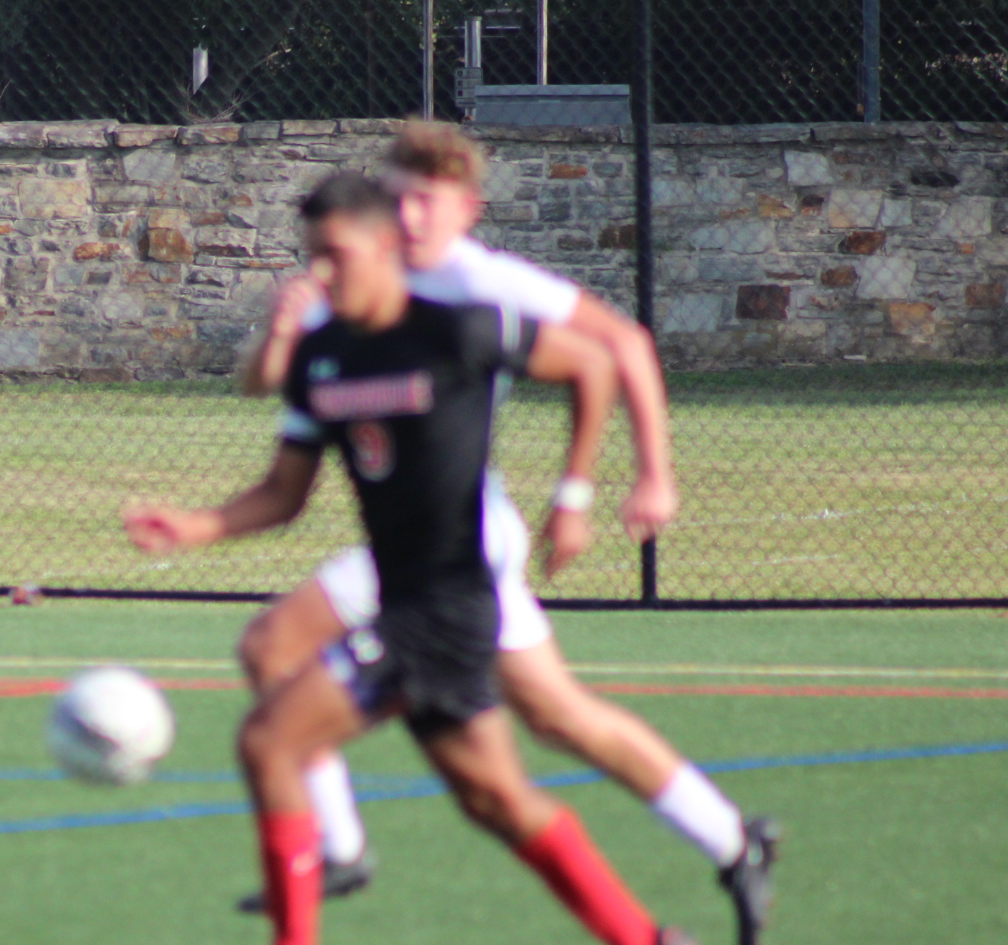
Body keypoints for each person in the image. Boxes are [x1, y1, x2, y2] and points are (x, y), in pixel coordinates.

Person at [236, 123, 777, 945]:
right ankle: (732, 841)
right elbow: (281, 384)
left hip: (462, 543)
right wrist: (287, 329)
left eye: (426, 200)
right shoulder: (364, 275)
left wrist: (627, 481)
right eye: (397, 198)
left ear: (468, 209)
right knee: (555, 719)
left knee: (275, 647)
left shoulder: (479, 281)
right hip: (434, 537)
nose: (409, 215)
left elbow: (621, 346)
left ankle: (336, 851)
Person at [126, 172, 693, 945]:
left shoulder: (458, 330)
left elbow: (593, 364)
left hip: (447, 606)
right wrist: (191, 527)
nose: (321, 272)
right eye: (312, 256)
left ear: (386, 246)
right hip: (406, 607)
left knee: (270, 740)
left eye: (336, 254)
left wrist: (574, 496)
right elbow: (283, 494)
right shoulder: (321, 355)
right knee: (496, 801)